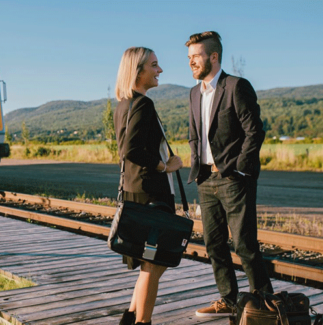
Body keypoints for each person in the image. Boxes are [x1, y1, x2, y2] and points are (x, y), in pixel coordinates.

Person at [185, 31, 273, 317]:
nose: (191, 62)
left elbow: (254, 131)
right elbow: (194, 136)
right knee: (214, 244)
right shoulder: (193, 92)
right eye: (189, 58)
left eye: (196, 57)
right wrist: (197, 166)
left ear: (213, 57)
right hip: (206, 180)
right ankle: (229, 299)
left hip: (233, 179)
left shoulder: (236, 86)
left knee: (244, 244)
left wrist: (239, 168)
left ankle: (264, 302)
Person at [114, 47, 183, 325]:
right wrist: (165, 166)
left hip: (136, 190)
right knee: (154, 263)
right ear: (138, 70)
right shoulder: (143, 104)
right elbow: (130, 150)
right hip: (151, 193)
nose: (160, 70)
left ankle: (130, 317)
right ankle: (142, 322)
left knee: (153, 262)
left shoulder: (123, 104)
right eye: (154, 65)